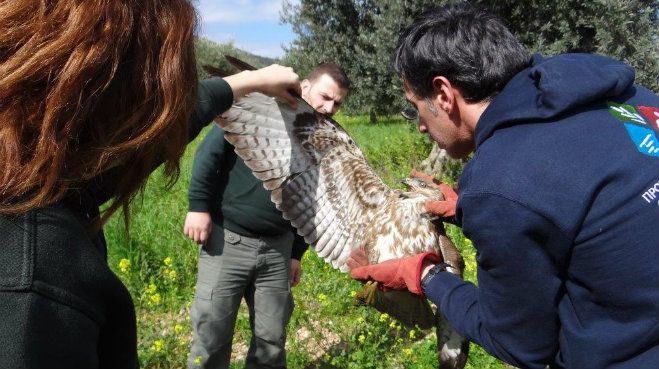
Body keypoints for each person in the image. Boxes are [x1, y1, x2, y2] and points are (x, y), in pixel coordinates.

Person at [348, 3, 659, 369]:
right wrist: (476, 211)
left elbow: (522, 346)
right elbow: (594, 202)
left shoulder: (502, 180)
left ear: (444, 95)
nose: (419, 124)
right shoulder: (635, 100)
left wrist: (426, 275)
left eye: (414, 106)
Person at [0, 1, 300, 368]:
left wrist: (246, 82)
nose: (163, 117)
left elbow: (149, 142)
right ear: (105, 99)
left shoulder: (35, 174)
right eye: (159, 98)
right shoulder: (35, 284)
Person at [184, 63, 350, 369]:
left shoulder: (323, 142)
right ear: (305, 87)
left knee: (271, 342)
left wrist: (297, 253)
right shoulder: (262, 110)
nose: (329, 108)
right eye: (325, 97)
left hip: (278, 250)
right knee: (211, 338)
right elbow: (210, 154)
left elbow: (311, 201)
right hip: (227, 241)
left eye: (337, 103)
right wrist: (198, 207)